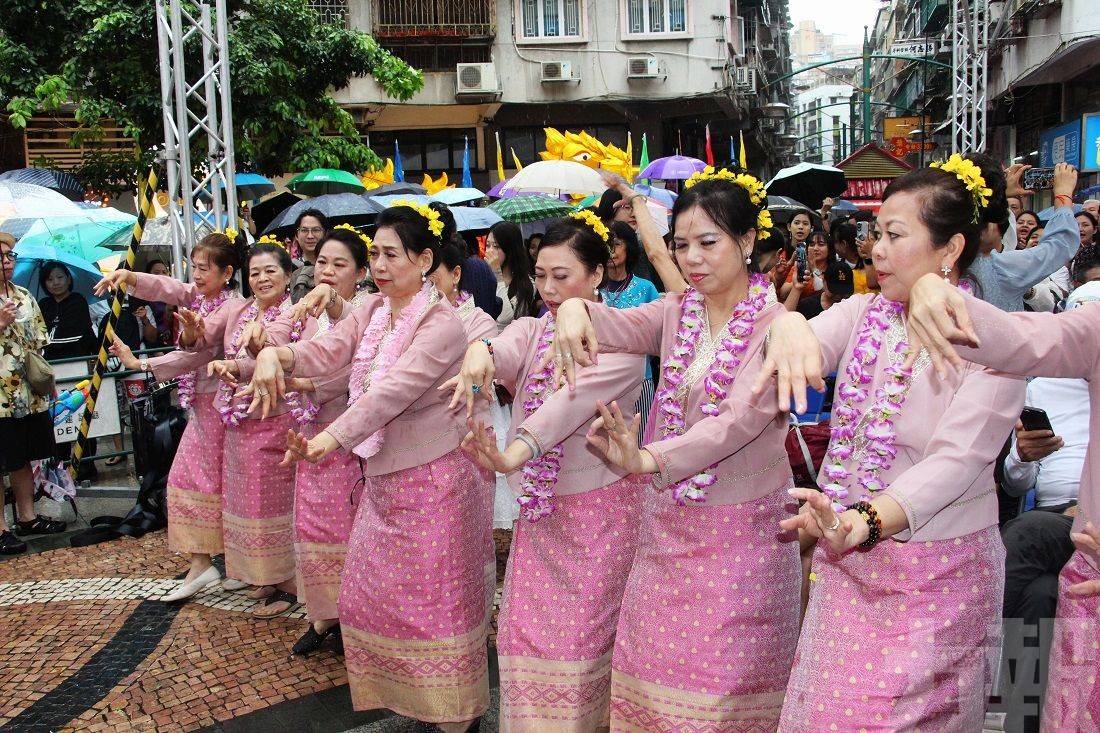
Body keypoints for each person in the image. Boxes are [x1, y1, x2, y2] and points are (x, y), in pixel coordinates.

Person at [756, 154, 1026, 730]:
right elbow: (794, 342)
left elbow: (957, 462)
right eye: (876, 233)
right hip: (850, 569)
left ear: (949, 249)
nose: (876, 248)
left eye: (894, 235)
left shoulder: (996, 342)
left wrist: (863, 522)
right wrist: (784, 323)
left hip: (940, 577)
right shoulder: (861, 314)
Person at [550, 168, 801, 729]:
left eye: (708, 243)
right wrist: (573, 307)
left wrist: (647, 460)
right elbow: (611, 324)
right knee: (654, 680)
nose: (692, 258)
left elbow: (735, 423)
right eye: (681, 245)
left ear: (748, 240)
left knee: (721, 690)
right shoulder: (674, 312)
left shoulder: (776, 326)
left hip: (745, 542)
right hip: (667, 534)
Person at [245, 203, 491, 732]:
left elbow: (393, 392)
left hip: (437, 482)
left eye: (390, 255)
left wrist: (329, 439)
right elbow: (330, 349)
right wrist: (279, 357)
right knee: (370, 597)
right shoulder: (370, 310)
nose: (378, 265)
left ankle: (456, 718)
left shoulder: (442, 323)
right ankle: (420, 703)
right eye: (374, 254)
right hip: (382, 480)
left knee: (435, 605)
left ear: (425, 259)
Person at [452, 212, 647, 730]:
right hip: (541, 518)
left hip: (601, 517)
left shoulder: (623, 342)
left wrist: (514, 453)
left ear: (598, 276)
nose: (549, 288)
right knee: (526, 637)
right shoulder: (534, 328)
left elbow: (570, 403)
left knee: (583, 643)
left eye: (563, 276)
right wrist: (481, 350)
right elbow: (505, 346)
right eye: (540, 275)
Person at [904, 273, 1100, 729]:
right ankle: (1021, 716)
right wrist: (1025, 459)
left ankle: (989, 680)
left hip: (1069, 522)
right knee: (1038, 581)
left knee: (1029, 554)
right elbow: (1015, 481)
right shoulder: (1043, 383)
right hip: (1062, 519)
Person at [214, 227, 372, 652]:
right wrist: (242, 365)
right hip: (307, 434)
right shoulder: (306, 312)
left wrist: (292, 377)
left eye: (340, 264)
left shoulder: (368, 313)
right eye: (322, 262)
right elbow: (277, 337)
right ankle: (321, 615)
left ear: (361, 271)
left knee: (345, 529)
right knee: (312, 527)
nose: (329, 271)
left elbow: (344, 374)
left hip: (346, 441)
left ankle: (350, 616)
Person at [98, 233, 241, 601]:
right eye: (194, 267)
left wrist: (141, 363)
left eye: (204, 269)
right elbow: (169, 288)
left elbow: (196, 352)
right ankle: (205, 562)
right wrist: (129, 277)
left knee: (215, 485)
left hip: (225, 408)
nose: (196, 275)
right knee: (194, 482)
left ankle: (229, 564)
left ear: (227, 273)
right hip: (204, 408)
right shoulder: (200, 298)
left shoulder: (231, 307)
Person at [179, 243, 299, 617]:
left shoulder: (297, 314)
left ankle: (290, 584)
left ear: (288, 275)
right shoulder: (241, 311)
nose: (262, 279)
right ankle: (264, 575)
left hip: (276, 419)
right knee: (248, 503)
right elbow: (204, 346)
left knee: (275, 501)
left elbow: (303, 359)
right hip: (237, 419)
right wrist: (196, 339)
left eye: (270, 271)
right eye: (255, 273)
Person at [0, 234, 65, 554]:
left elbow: (40, 343)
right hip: (0, 398)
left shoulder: (25, 296)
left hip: (27, 393)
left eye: (10, 255)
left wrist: (47, 382)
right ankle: (1, 527)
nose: (7, 261)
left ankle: (27, 516)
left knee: (22, 457)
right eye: (1, 256)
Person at [966, 160, 1079, 312]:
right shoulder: (1002, 269)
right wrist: (1063, 195)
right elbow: (1060, 245)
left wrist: (998, 194)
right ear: (990, 229)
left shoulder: (933, 259)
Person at [484, 221, 536, 330]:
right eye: (488, 245)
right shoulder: (483, 277)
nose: (490, 251)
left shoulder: (526, 283)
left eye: (496, 246)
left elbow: (504, 318)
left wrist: (497, 274)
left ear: (510, 249)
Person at [788, 259, 855, 318]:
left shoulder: (854, 308)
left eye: (843, 293)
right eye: (834, 291)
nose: (838, 296)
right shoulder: (807, 306)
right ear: (823, 281)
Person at [779, 227, 832, 301]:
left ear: (829, 249)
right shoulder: (800, 266)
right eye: (812, 244)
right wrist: (799, 281)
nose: (815, 248)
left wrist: (814, 268)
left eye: (821, 244)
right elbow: (783, 293)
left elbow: (826, 292)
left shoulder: (833, 269)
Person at [289, 209, 327, 303]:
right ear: (296, 236)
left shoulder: (334, 268)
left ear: (325, 233)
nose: (310, 236)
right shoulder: (290, 268)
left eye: (316, 230)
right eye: (304, 230)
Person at [833, 221, 878, 293]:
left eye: (870, 239)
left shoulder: (878, 264)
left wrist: (869, 256)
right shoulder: (840, 269)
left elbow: (873, 284)